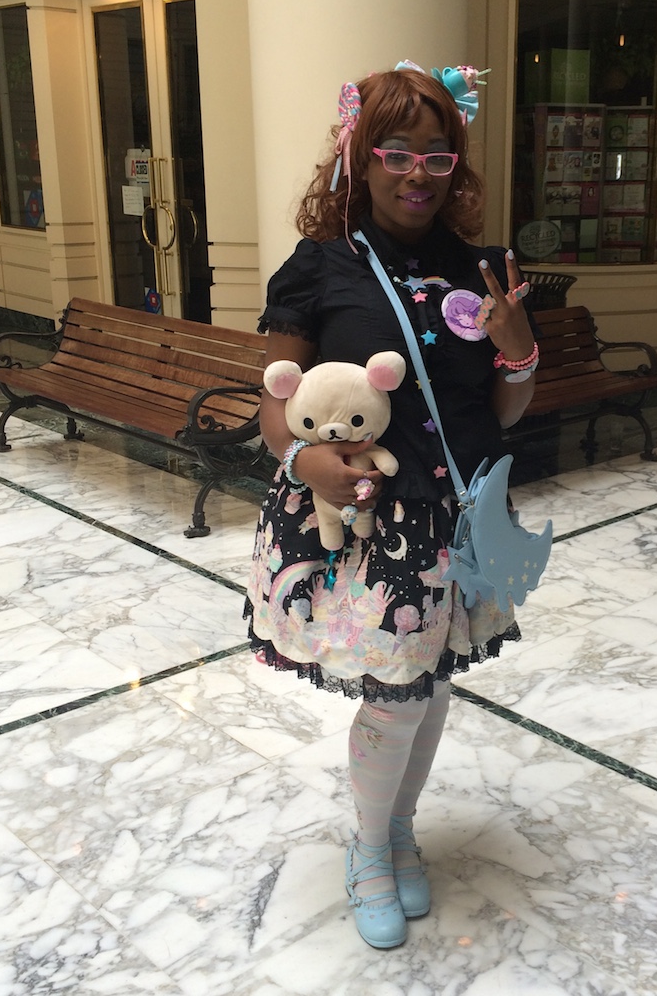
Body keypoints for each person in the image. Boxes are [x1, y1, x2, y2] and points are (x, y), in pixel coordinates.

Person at [245, 61, 539, 949]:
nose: (419, 173)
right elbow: (273, 396)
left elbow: (500, 410)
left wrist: (519, 351)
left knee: (430, 679)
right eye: (397, 152)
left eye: (438, 156)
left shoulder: (479, 269)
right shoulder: (321, 266)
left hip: (459, 514)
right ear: (359, 157)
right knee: (399, 694)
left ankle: (397, 832)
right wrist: (304, 458)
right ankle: (371, 849)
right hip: (374, 523)